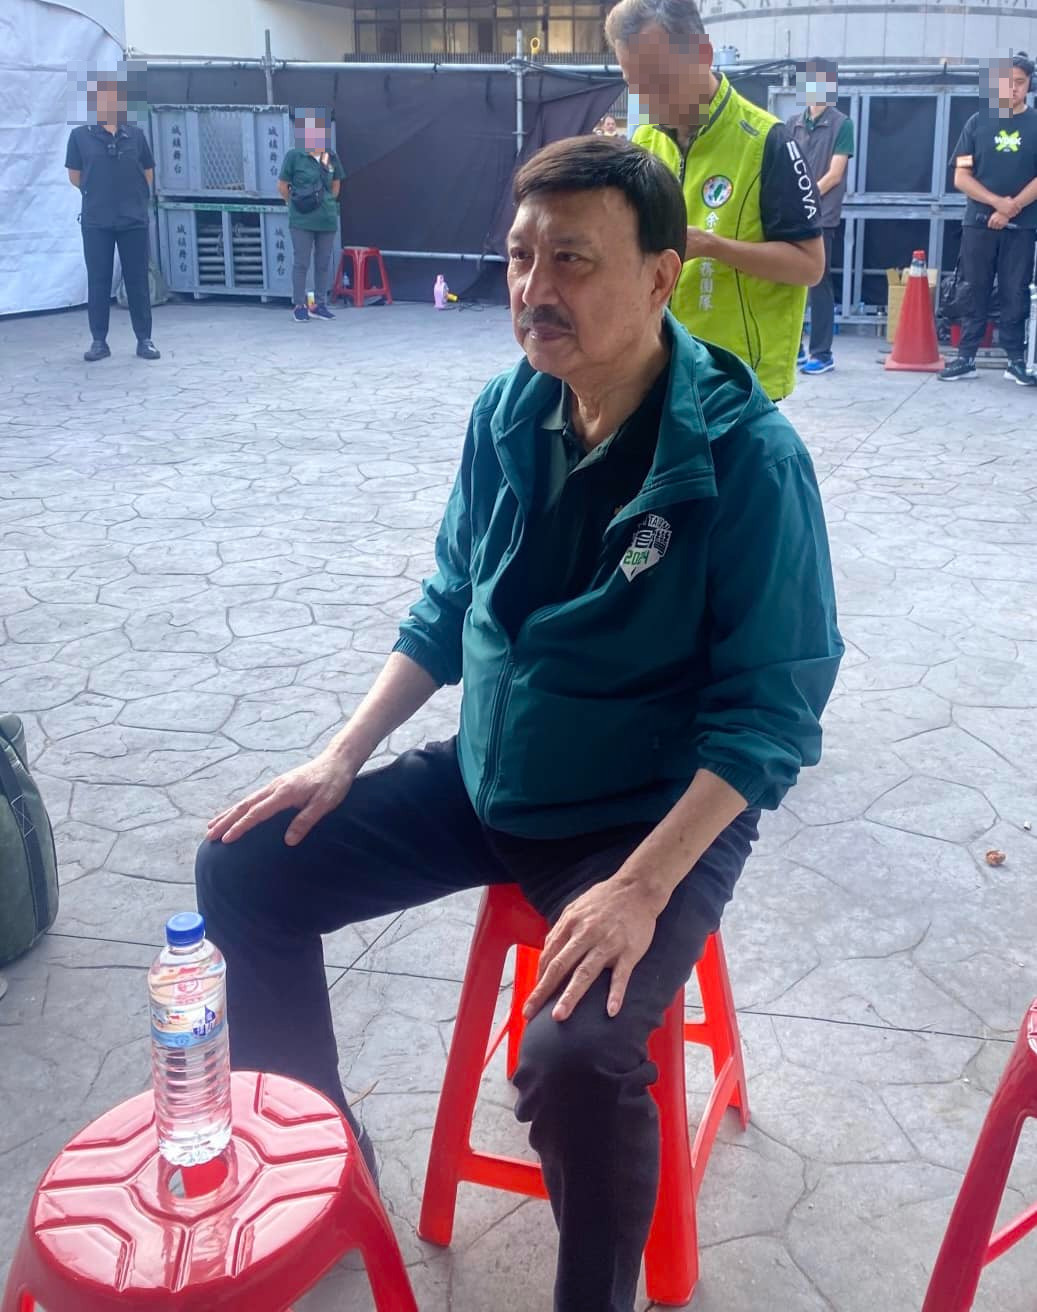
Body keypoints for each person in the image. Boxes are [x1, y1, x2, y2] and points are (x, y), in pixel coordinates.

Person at [195, 136, 842, 1312]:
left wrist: (640, 886)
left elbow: (770, 714)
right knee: (246, 865)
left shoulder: (747, 462)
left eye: (572, 261)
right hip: (494, 773)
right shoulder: (507, 411)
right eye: (519, 257)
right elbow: (449, 601)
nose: (535, 289)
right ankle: (322, 1164)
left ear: (660, 276)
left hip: (639, 817)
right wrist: (339, 755)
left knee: (575, 1059)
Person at [606, 0, 825, 401]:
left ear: (703, 54)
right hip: (660, 371)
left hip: (737, 380)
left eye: (659, 80)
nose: (647, 99)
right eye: (633, 83)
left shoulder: (767, 142)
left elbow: (809, 266)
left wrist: (710, 245)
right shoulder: (644, 143)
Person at [940, 52, 1037, 386]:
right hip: (979, 223)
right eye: (1007, 82)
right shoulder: (977, 123)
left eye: (1020, 83)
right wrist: (998, 204)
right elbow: (961, 177)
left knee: (1015, 291)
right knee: (974, 289)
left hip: (1022, 225)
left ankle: (1015, 359)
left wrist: (1013, 207)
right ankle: (966, 357)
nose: (1013, 89)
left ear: (1029, 85)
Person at [65, 70, 160, 362]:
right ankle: (99, 341)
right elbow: (75, 176)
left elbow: (147, 172)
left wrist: (132, 198)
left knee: (137, 280)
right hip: (97, 220)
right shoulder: (80, 137)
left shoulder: (136, 135)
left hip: (133, 220)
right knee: (99, 280)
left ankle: (144, 339)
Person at [788, 59, 854, 376]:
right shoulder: (792, 124)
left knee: (818, 281)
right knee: (791, 280)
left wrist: (805, 196)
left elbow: (835, 174)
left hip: (822, 216)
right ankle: (795, 349)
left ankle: (822, 352)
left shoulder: (842, 124)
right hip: (794, 214)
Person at [278, 109, 345, 323]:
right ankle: (299, 304)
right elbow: (282, 185)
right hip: (301, 219)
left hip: (326, 218)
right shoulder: (294, 156)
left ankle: (319, 304)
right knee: (302, 262)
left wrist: (329, 201)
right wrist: (292, 203)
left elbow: (336, 183)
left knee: (323, 263)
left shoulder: (329, 156)